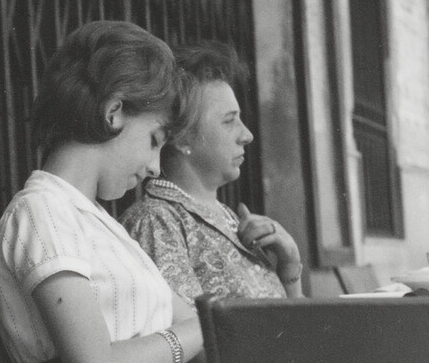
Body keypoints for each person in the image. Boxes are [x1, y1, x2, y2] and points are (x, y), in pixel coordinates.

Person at [0, 20, 210, 363]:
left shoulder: (97, 223)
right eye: (154, 140)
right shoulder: (42, 212)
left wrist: (198, 331)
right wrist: (192, 334)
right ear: (113, 112)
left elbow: (193, 322)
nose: (155, 167)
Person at [122, 42, 306, 304]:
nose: (247, 135)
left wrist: (290, 268)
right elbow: (190, 326)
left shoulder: (227, 216)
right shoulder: (157, 222)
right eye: (229, 121)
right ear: (182, 138)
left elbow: (289, 322)